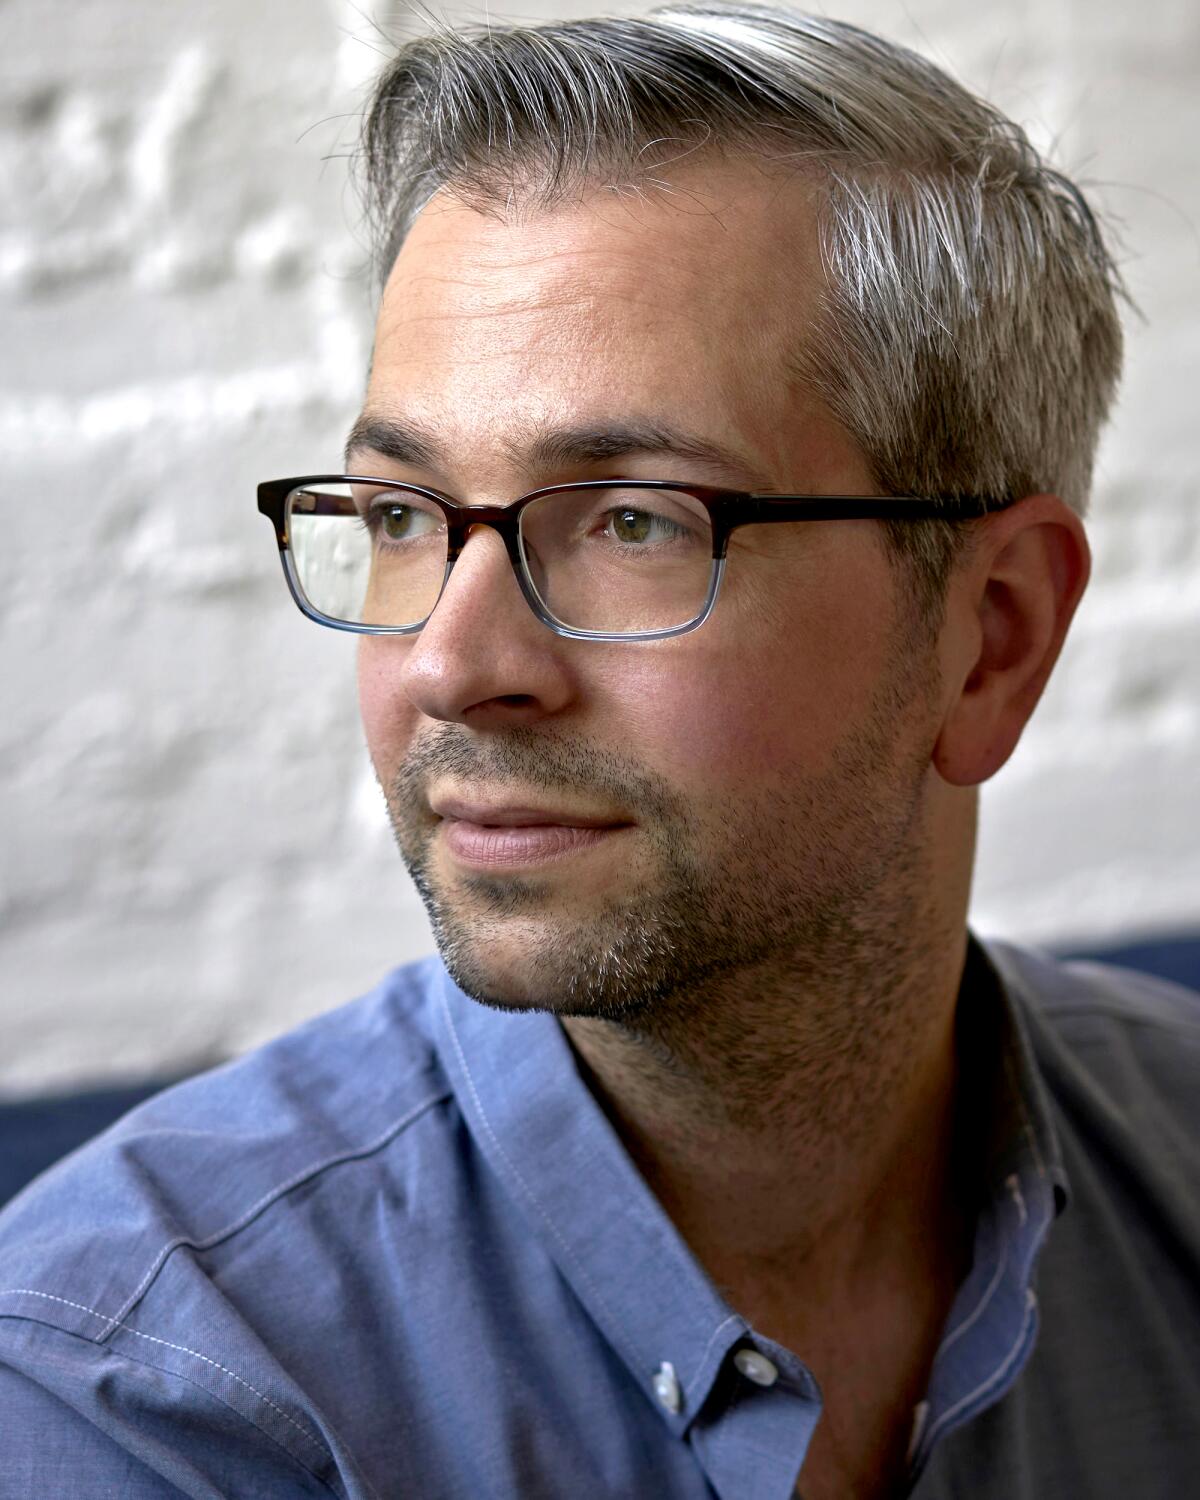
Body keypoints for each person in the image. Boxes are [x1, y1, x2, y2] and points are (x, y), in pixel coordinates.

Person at [0, 5, 1196, 1496]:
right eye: (398, 517)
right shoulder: (134, 1391)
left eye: (636, 522)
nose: (451, 661)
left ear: (994, 636)